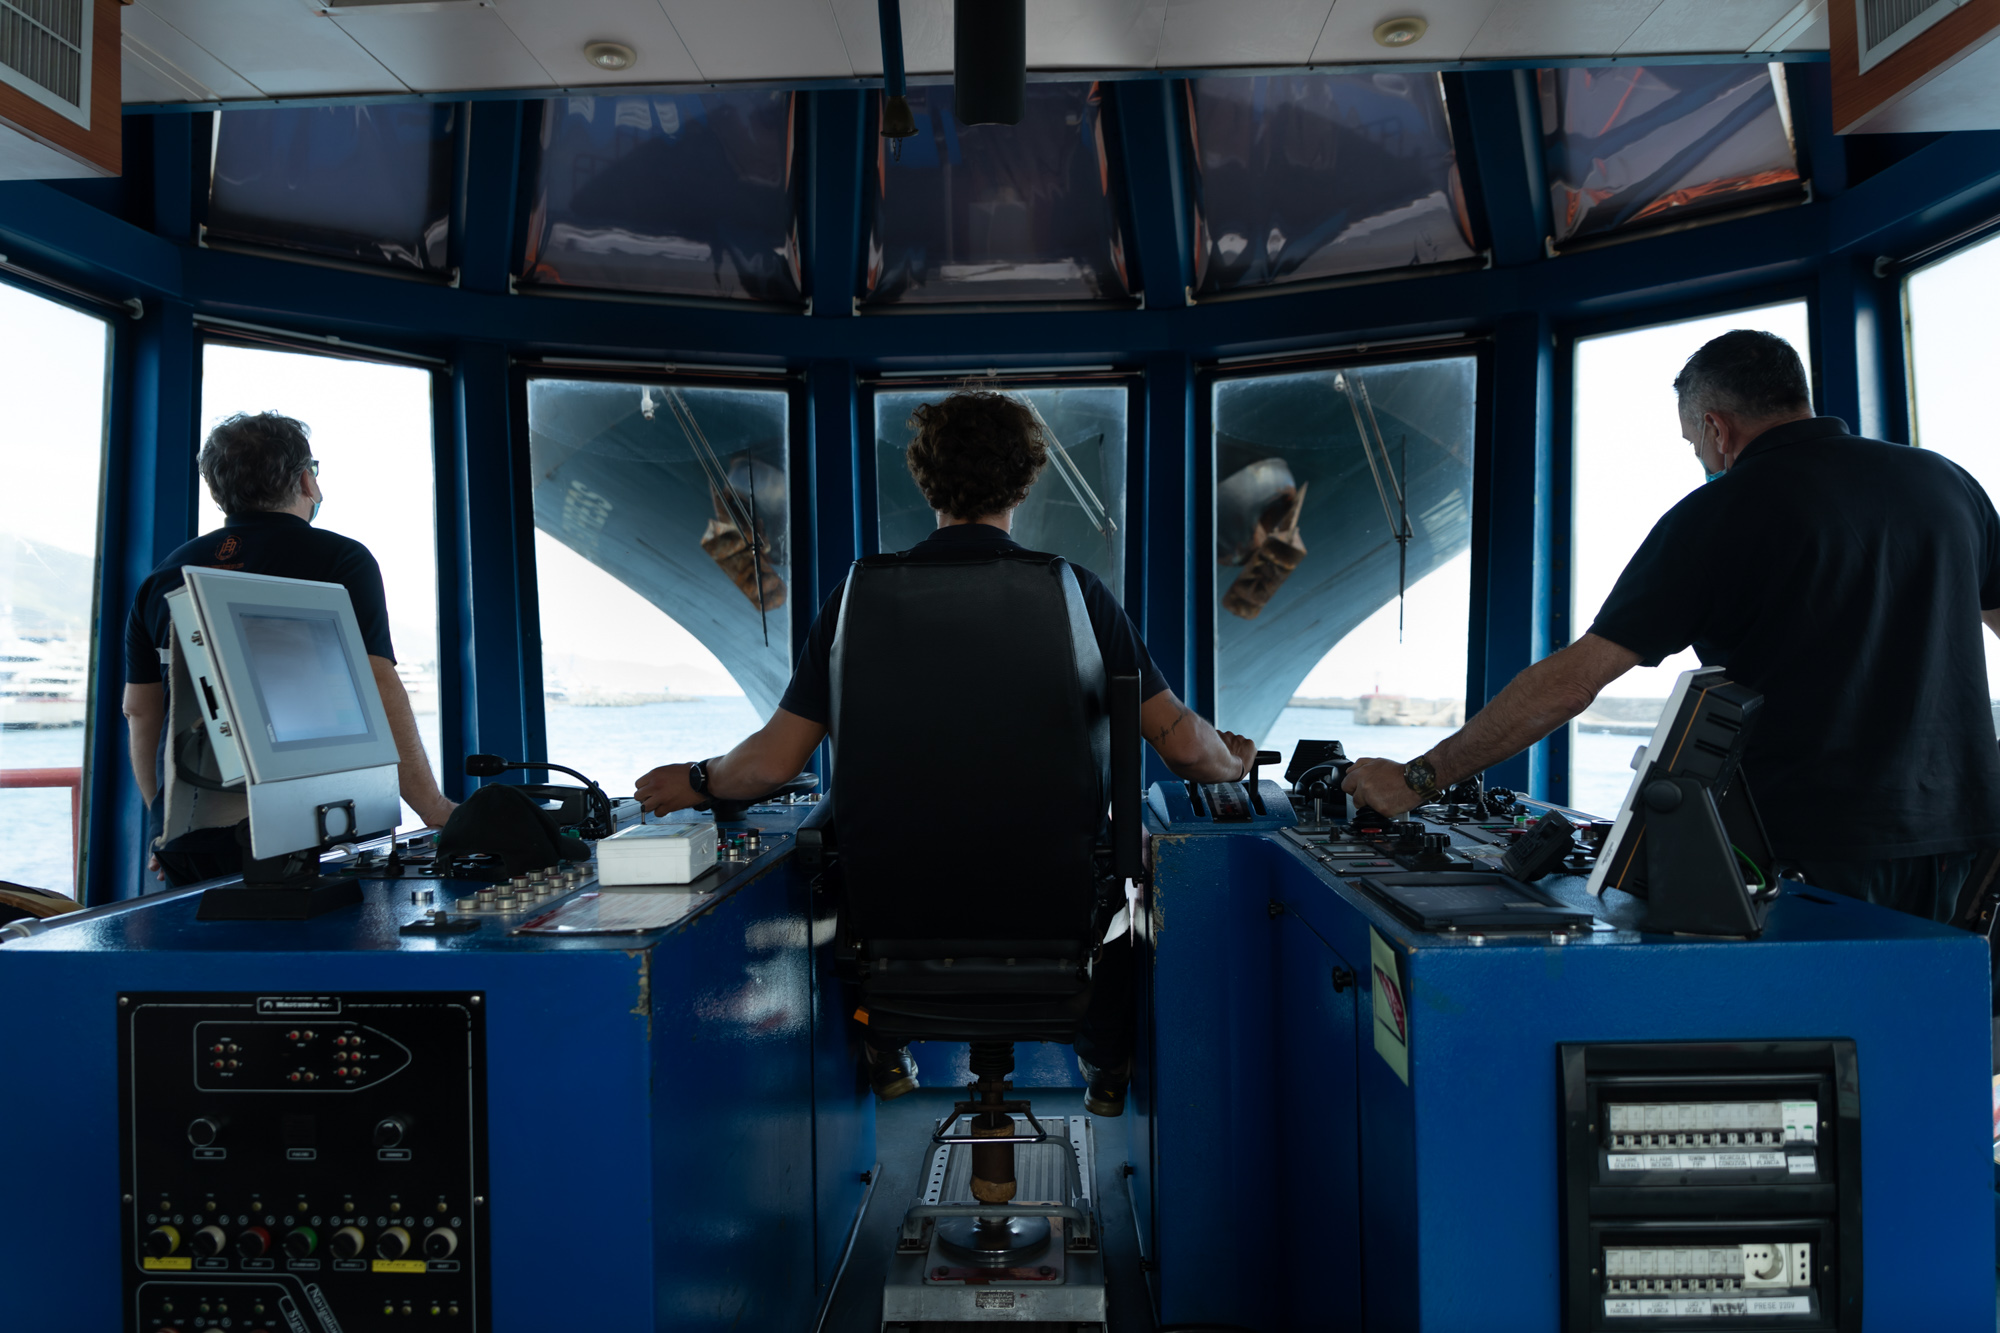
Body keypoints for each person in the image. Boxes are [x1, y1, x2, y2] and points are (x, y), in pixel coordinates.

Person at [635, 390, 1256, 1111]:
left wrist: (696, 779)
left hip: (891, 936)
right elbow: (1185, 748)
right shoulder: (1079, 596)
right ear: (1023, 484)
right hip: (1060, 931)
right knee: (1126, 893)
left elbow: (772, 765)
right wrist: (1234, 762)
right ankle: (1105, 1066)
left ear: (925, 479)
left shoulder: (852, 600)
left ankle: (885, 1045)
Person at [1343, 329, 2000, 921]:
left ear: (1716, 428)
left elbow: (1573, 682)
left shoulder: (1724, 511)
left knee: (1823, 1039)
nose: (1702, 457)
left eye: (1694, 444)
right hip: (1967, 846)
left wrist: (1418, 777)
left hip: (1813, 853)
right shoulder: (1949, 484)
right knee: (1934, 1038)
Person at [122, 412, 457, 885]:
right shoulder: (340, 559)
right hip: (321, 831)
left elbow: (141, 711)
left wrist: (166, 823)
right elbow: (376, 684)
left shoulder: (161, 579)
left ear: (219, 491)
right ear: (307, 480)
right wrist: (434, 808)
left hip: (195, 840)